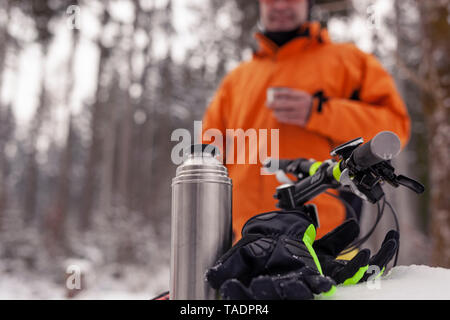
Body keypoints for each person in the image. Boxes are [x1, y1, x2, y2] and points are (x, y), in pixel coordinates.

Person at [201, 0, 410, 242]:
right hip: (242, 248)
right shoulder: (235, 81)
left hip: (325, 247)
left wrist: (319, 111)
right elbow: (207, 159)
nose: (279, 5)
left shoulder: (350, 63)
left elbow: (394, 129)